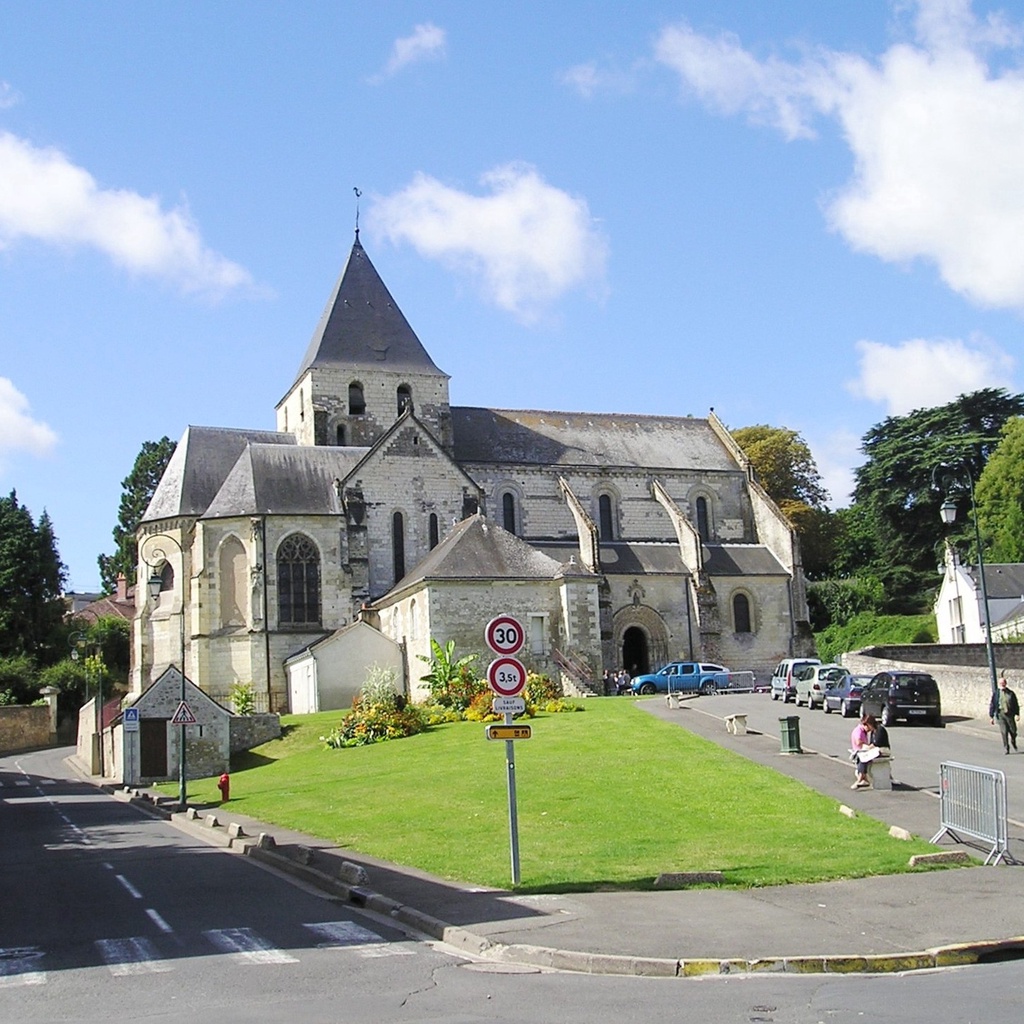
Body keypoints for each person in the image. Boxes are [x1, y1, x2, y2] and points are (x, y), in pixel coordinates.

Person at [989, 675, 1020, 754]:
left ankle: (1013, 741)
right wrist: (991, 716)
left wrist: (1017, 714)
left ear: (1006, 684)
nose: (1002, 685)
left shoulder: (1011, 693)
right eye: (1001, 683)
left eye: (1004, 683)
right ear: (999, 684)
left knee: (1013, 731)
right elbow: (992, 704)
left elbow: (1015, 704)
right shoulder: (996, 694)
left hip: (1010, 714)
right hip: (1001, 714)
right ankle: (1006, 748)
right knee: (1004, 731)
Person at [850, 713, 881, 788]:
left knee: (865, 757)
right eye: (869, 728)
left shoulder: (863, 731)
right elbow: (858, 742)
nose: (870, 730)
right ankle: (861, 779)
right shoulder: (859, 731)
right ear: (866, 725)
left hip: (862, 750)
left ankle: (863, 779)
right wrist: (867, 746)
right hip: (859, 750)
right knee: (864, 758)